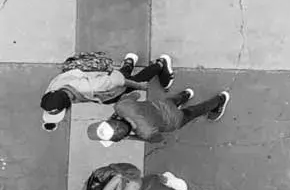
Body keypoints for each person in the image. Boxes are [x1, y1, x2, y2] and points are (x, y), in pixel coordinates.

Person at [40, 52, 172, 129]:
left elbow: (117, 81)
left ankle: (160, 64)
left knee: (134, 80)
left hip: (110, 85)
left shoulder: (90, 87)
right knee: (122, 76)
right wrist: (50, 123)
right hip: (98, 79)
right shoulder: (54, 90)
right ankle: (129, 62)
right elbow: (52, 105)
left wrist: (139, 86)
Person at [88, 86, 230, 145]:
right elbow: (135, 95)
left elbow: (158, 139)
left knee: (195, 111)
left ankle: (220, 100)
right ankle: (186, 94)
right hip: (160, 104)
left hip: (174, 120)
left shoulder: (145, 133)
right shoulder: (121, 107)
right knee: (172, 101)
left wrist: (131, 137)